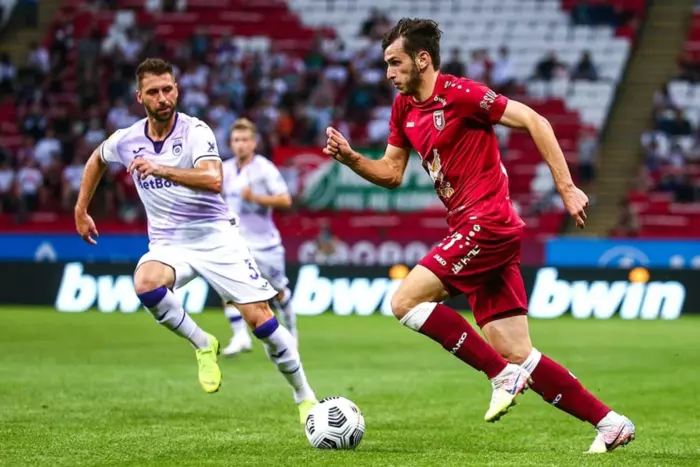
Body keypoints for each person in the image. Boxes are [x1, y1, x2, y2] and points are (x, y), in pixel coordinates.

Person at [323, 18, 635, 453]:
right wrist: (352, 158)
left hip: (486, 222)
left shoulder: (462, 95)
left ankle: (501, 378)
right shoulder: (404, 109)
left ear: (422, 59)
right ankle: (610, 423)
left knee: (405, 302)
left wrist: (566, 187)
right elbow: (392, 173)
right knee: (517, 353)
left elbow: (535, 120)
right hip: (474, 229)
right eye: (387, 64)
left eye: (395, 63)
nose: (389, 73)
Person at [74, 58, 317, 423]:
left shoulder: (195, 131)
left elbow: (213, 179)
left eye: (167, 89)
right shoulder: (127, 139)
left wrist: (161, 168)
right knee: (145, 283)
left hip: (216, 237)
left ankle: (304, 396)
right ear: (140, 97)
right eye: (153, 92)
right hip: (170, 245)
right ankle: (203, 343)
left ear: (177, 90)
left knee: (262, 321)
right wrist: (81, 209)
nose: (162, 98)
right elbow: (97, 158)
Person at [220, 118, 297, 356]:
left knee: (278, 291)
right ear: (231, 143)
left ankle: (292, 334)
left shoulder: (265, 168)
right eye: (236, 140)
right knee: (227, 286)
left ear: (254, 143)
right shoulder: (224, 169)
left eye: (245, 140)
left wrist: (255, 197)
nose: (240, 144)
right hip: (235, 240)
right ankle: (240, 336)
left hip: (264, 243)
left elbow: (285, 199)